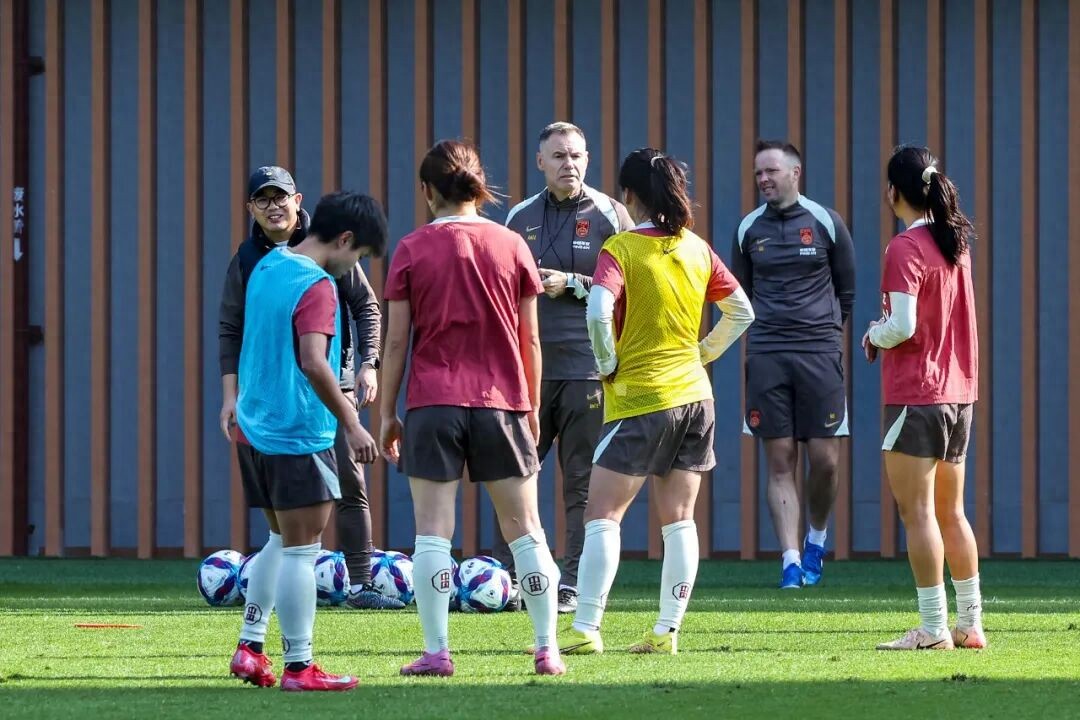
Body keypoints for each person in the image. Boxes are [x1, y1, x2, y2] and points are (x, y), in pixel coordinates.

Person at [379, 139, 565, 677]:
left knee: (433, 532)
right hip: (502, 403)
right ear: (477, 187)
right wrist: (531, 406)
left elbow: (395, 344)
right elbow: (531, 341)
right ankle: (546, 648)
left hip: (432, 404)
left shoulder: (412, 249)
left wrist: (387, 413)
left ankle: (437, 651)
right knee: (525, 528)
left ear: (427, 192)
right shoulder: (512, 245)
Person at [562, 148, 754, 656]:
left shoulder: (620, 248)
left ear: (629, 196)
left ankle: (585, 628)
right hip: (696, 398)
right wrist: (704, 352)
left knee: (602, 514)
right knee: (680, 519)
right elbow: (741, 311)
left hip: (642, 399)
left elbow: (599, 309)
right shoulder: (696, 248)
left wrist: (606, 364)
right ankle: (667, 631)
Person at [219, 166, 402, 610]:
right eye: (262, 199)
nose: (273, 206)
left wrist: (368, 364)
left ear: (299, 202)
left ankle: (253, 645)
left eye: (280, 196)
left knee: (279, 541)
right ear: (344, 241)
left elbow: (365, 309)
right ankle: (299, 663)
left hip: (260, 421)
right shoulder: (312, 278)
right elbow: (311, 361)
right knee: (302, 551)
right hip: (299, 419)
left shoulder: (268, 266)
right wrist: (353, 422)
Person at [495, 121, 634, 613]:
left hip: (589, 369)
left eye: (576, 155)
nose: (568, 164)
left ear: (588, 159)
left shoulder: (611, 215)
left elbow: (632, 285)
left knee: (581, 480)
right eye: (558, 156)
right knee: (516, 475)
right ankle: (516, 578)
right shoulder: (518, 217)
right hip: (529, 371)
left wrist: (572, 284)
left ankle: (572, 582)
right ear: (540, 163)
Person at [865, 146, 984, 651]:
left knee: (918, 514)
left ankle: (934, 629)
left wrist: (873, 334)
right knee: (953, 512)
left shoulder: (904, 248)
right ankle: (971, 623)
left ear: (894, 192)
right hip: (960, 393)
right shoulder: (955, 243)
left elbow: (903, 326)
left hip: (917, 393)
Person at [731, 140, 856, 589]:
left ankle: (815, 541)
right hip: (766, 355)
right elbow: (739, 296)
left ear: (795, 173)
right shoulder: (748, 229)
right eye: (758, 173)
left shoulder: (826, 222)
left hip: (820, 354)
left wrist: (822, 333)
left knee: (824, 460)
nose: (764, 179)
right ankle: (788, 560)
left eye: (771, 171)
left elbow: (847, 290)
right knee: (780, 459)